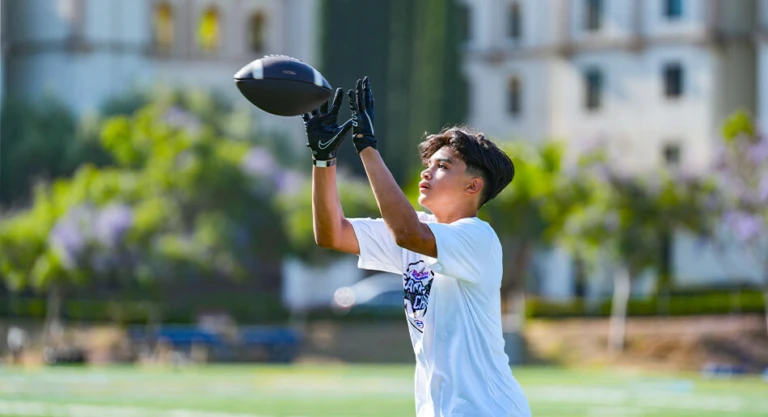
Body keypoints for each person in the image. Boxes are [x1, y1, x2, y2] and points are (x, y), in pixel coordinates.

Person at [302, 77, 531, 417]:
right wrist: (324, 161)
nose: (427, 172)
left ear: (473, 186)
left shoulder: (477, 238)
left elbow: (408, 234)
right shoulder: (417, 233)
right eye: (428, 165)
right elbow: (332, 233)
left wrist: (367, 148)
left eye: (442, 166)